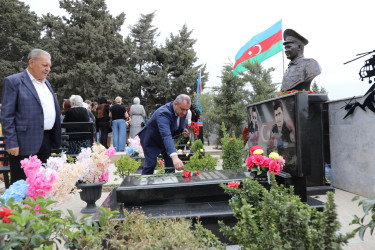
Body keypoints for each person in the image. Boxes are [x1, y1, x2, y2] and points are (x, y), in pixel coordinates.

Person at [1, 49, 61, 184]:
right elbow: (7, 115)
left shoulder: (46, 83)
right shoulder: (14, 81)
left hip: (46, 140)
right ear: (31, 62)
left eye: (49, 66)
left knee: (43, 183)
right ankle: (23, 206)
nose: (48, 69)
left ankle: (41, 206)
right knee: (23, 184)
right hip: (23, 143)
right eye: (44, 65)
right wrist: (11, 142)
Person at [139, 94, 191, 175]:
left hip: (166, 141)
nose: (184, 112)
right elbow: (166, 135)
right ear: (175, 104)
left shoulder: (182, 111)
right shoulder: (163, 113)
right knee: (151, 165)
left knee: (170, 163)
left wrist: (183, 130)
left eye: (187, 110)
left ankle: (169, 184)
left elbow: (181, 123)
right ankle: (144, 186)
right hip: (151, 140)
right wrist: (175, 157)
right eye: (183, 109)